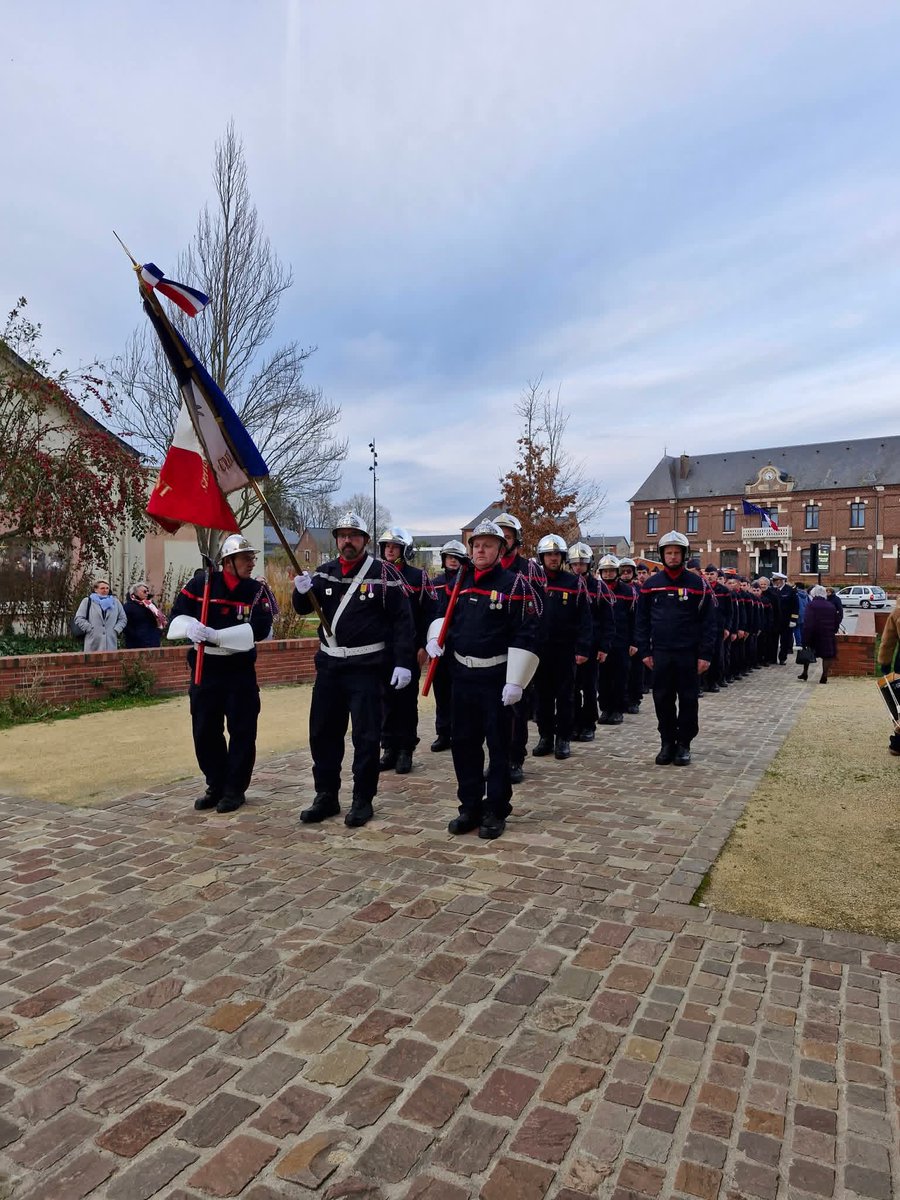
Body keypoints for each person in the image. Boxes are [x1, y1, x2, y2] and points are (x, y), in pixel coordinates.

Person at [292, 511, 415, 828]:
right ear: (336, 539)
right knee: (322, 734)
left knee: (366, 737)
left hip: (367, 668)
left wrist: (403, 662)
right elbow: (305, 607)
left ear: (365, 540)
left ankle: (362, 799)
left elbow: (403, 622)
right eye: (342, 535)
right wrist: (300, 590)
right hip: (330, 667)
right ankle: (326, 795)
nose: (348, 541)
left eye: (354, 535)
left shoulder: (384, 574)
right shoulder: (325, 573)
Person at [425, 519, 539, 840]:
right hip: (462, 676)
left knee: (499, 746)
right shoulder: (459, 581)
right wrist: (436, 638)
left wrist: (516, 680)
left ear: (501, 549)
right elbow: (443, 614)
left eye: (488, 545)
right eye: (476, 545)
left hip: (497, 677)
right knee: (464, 744)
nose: (480, 550)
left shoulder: (515, 585)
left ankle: (496, 809)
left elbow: (527, 631)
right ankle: (470, 806)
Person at [168, 534, 273, 813]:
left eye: (252, 557)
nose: (252, 563)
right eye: (246, 558)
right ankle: (215, 783)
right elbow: (176, 614)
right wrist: (190, 626)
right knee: (205, 730)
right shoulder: (201, 584)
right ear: (228, 561)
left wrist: (217, 635)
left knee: (242, 729)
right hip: (206, 668)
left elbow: (260, 629)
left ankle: (235, 788)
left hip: (238, 670)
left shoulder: (255, 591)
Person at [635, 531, 717, 766]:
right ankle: (667, 742)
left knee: (689, 699)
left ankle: (684, 744)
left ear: (684, 554)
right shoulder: (651, 585)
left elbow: (709, 623)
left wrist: (705, 654)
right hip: (660, 653)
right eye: (668, 553)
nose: (672, 556)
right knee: (662, 698)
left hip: (688, 654)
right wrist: (645, 651)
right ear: (662, 555)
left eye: (677, 552)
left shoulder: (698, 584)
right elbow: (641, 621)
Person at [376, 527, 436, 775]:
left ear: (405, 550)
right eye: (386, 546)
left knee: (406, 702)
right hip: (382, 648)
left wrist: (423, 644)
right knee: (385, 700)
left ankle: (405, 750)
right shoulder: (375, 575)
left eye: (394, 546)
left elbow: (429, 612)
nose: (389, 550)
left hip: (409, 648)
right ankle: (388, 746)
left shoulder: (417, 577)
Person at [530, 534, 593, 760]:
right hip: (539, 650)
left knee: (566, 696)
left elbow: (585, 619)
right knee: (542, 696)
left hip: (565, 650)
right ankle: (545, 736)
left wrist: (583, 648)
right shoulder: (534, 582)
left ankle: (563, 738)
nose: (553, 558)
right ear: (542, 557)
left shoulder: (575, 582)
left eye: (557, 554)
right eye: (549, 554)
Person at [494, 511, 544, 783]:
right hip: (492, 650)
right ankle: (498, 757)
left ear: (516, 540)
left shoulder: (529, 569)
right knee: (494, 711)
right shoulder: (486, 568)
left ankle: (515, 758)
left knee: (517, 708)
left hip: (520, 648)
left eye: (507, 536)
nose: (502, 540)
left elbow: (538, 610)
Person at [568, 541, 612, 741]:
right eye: (575, 563)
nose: (578, 567)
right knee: (572, 688)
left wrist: (604, 646)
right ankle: (574, 722)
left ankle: (589, 724)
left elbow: (607, 620)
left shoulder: (599, 587)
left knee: (589, 687)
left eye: (582, 563)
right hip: (570, 645)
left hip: (592, 647)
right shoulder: (567, 584)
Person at [430, 539, 467, 752]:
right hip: (439, 645)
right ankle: (443, 732)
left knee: (459, 694)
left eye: (457, 557)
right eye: (449, 557)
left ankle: (459, 732)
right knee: (441, 692)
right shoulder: (435, 583)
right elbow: (430, 612)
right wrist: (431, 639)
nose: (453, 561)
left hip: (459, 645)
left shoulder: (467, 583)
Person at [595, 554, 633, 726]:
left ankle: (618, 710)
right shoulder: (597, 590)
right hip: (602, 642)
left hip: (621, 641)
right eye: (605, 571)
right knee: (602, 679)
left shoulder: (627, 591)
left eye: (611, 571)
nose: (608, 574)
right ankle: (605, 709)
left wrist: (634, 642)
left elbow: (635, 619)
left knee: (619, 678)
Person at [798, 584, 840, 683]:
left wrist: (805, 637)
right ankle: (824, 676)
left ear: (814, 594)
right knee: (827, 656)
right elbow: (836, 620)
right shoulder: (830, 605)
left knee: (807, 652)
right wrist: (834, 630)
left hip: (814, 633)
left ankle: (805, 673)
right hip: (828, 633)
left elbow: (808, 622)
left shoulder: (811, 605)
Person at [617, 557, 644, 713]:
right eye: (623, 571)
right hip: (620, 636)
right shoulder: (614, 590)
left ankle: (634, 700)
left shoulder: (640, 590)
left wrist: (636, 640)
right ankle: (622, 698)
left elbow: (641, 616)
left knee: (635, 670)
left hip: (636, 635)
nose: (626, 574)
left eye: (629, 571)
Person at [73, 578, 127, 651]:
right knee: (92, 661)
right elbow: (79, 618)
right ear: (96, 589)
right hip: (93, 640)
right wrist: (89, 629)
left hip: (110, 640)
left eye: (107, 588)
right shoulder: (87, 601)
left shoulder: (115, 602)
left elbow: (123, 618)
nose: (105, 590)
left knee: (110, 661)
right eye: (102, 588)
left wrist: (116, 630)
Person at [123, 581, 167, 649]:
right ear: (135, 593)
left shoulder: (151, 605)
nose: (147, 593)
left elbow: (157, 620)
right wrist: (135, 636)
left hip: (153, 640)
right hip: (136, 643)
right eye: (144, 591)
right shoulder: (128, 606)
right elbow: (125, 624)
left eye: (147, 591)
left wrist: (158, 632)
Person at [770, 571, 798, 664]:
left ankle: (782, 658)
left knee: (785, 641)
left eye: (775, 580)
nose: (774, 582)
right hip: (775, 620)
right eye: (773, 580)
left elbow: (795, 607)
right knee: (773, 640)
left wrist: (793, 619)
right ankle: (773, 658)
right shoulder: (772, 590)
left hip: (786, 620)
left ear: (782, 580)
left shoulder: (790, 590)